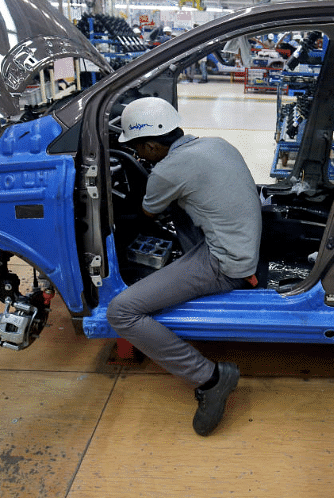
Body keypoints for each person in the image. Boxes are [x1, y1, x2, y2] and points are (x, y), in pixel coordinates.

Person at [105, 97, 262, 436]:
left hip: (225, 263)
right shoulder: (216, 144)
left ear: (150, 144)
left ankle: (210, 378)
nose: (137, 156)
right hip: (239, 241)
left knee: (122, 311)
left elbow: (147, 214)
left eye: (137, 150)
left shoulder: (167, 170)